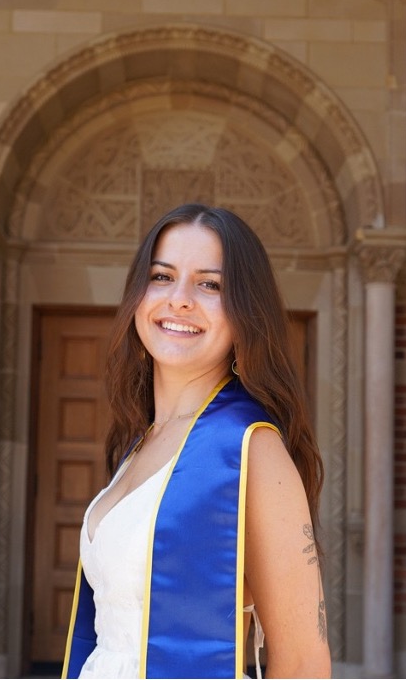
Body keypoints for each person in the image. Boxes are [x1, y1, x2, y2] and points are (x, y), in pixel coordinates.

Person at [62, 204, 331, 679]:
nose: (179, 300)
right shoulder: (142, 442)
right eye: (162, 276)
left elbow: (304, 661)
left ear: (245, 312)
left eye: (210, 284)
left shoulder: (250, 450)